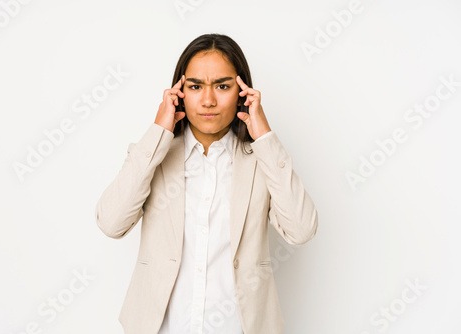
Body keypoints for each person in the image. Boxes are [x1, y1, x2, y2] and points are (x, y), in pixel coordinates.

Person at [95, 33, 318, 334]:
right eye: (195, 86)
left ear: (242, 92)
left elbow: (301, 229)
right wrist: (158, 131)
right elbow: (111, 223)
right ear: (180, 92)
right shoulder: (156, 155)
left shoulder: (260, 160)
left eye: (223, 86)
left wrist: (264, 136)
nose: (209, 100)